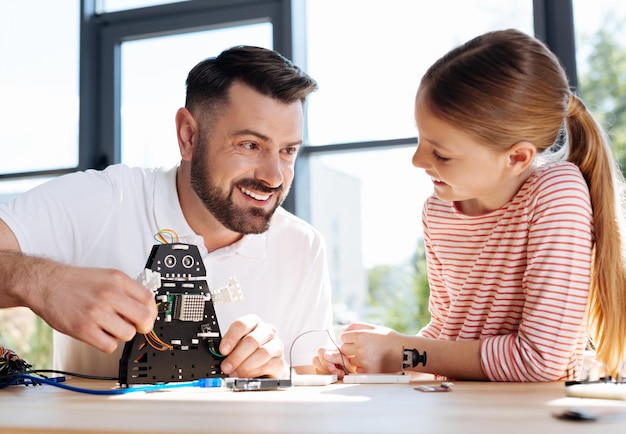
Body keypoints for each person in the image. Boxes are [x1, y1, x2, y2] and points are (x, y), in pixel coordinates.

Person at [0, 45, 334, 379]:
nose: (274, 176)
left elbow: (309, 391)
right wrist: (46, 284)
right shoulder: (105, 200)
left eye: (288, 150)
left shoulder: (302, 247)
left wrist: (279, 374)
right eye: (250, 145)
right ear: (188, 136)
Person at [314, 29, 626, 382]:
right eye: (420, 140)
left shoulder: (555, 193)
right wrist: (376, 356)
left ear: (517, 158)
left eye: (441, 154)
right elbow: (449, 338)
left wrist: (401, 351)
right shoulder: (439, 211)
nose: (417, 160)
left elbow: (541, 360)